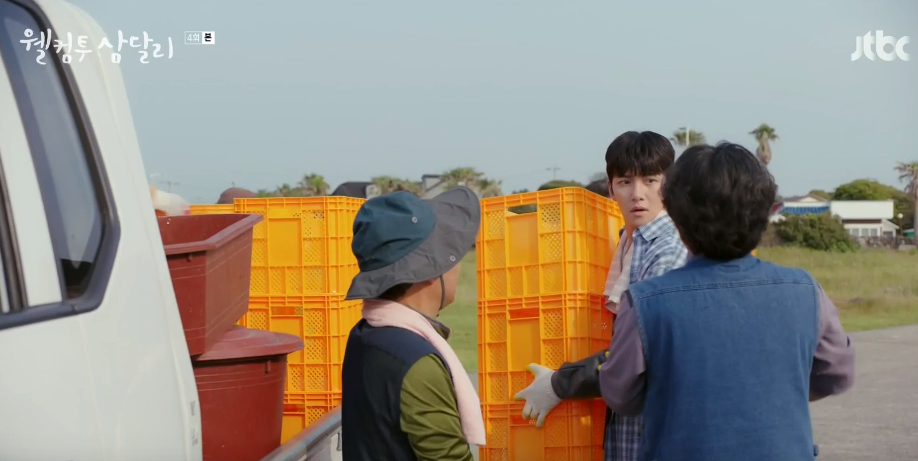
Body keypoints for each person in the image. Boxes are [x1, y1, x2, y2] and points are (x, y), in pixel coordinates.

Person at [599, 142, 856, 461]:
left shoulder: (644, 302)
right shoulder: (806, 290)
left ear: (677, 218)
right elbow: (838, 373)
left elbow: (620, 395)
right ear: (764, 213)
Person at [514, 131, 688, 460]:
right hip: (626, 427)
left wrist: (560, 383)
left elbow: (643, 350)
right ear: (610, 188)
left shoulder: (667, 251)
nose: (637, 194)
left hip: (654, 433)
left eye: (650, 180)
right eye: (625, 182)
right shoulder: (627, 242)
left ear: (669, 184)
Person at [341, 187, 485, 461]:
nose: (458, 267)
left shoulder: (366, 334)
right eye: (453, 255)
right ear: (431, 269)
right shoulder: (418, 362)